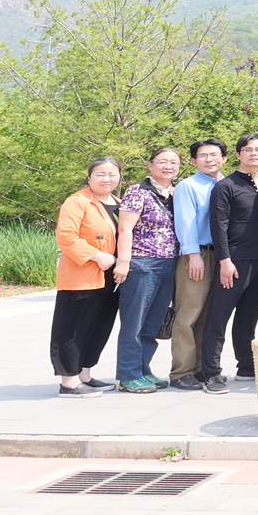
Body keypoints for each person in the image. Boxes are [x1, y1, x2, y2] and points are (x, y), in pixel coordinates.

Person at [197, 133, 258, 394]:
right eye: (247, 149)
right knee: (218, 317)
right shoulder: (225, 186)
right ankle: (211, 373)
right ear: (238, 155)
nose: (254, 153)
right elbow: (218, 226)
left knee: (248, 317)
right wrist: (225, 261)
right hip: (234, 260)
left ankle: (246, 366)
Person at [50, 158, 122, 398]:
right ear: (89, 177)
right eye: (100, 174)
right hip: (82, 276)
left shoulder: (118, 203)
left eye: (112, 174)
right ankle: (69, 383)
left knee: (98, 327)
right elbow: (66, 237)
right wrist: (97, 256)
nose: (106, 179)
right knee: (73, 329)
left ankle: (85, 375)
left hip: (110, 278)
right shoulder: (77, 202)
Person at [111, 147, 180, 394]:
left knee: (153, 322)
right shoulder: (138, 191)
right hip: (143, 263)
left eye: (173, 162)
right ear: (150, 165)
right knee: (134, 322)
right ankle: (128, 375)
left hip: (169, 263)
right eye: (162, 161)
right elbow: (125, 229)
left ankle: (143, 369)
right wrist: (124, 262)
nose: (168, 166)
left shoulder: (175, 193)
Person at [168, 138, 227, 391]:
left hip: (221, 256)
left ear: (224, 158)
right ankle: (181, 372)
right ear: (194, 161)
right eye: (203, 155)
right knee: (188, 313)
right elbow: (186, 222)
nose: (209, 159)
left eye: (214, 155)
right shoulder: (188, 186)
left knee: (207, 315)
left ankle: (201, 368)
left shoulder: (227, 183)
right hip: (197, 255)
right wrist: (193, 255)